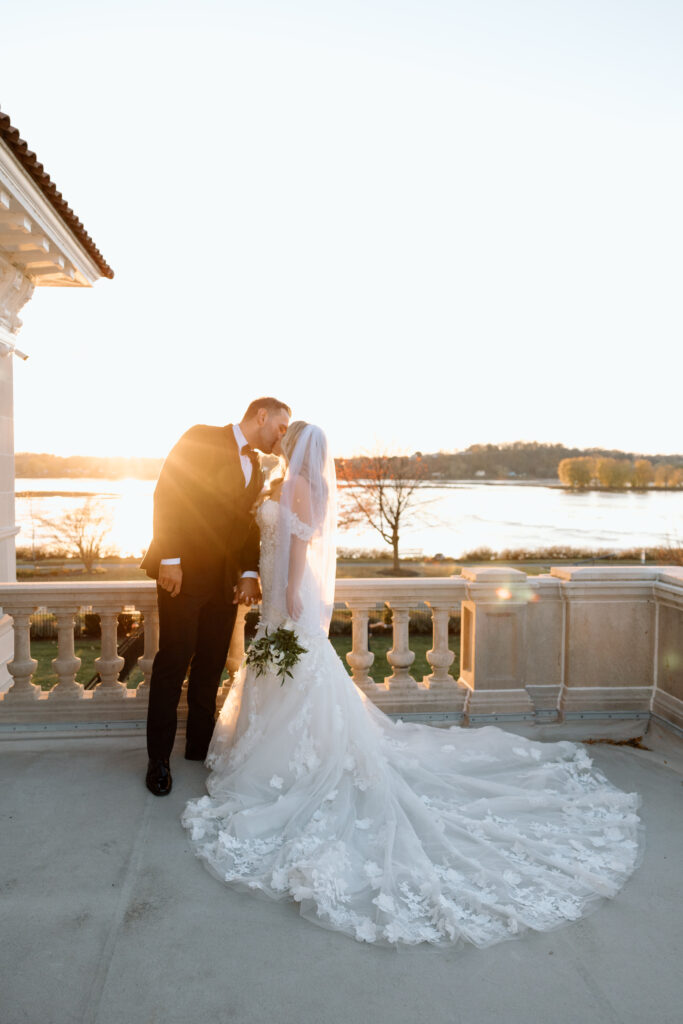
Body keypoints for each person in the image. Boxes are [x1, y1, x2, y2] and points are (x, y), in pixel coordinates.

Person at [182, 423, 643, 948]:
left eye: (290, 434)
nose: (282, 437)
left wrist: (288, 590)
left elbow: (301, 543)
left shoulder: (298, 486)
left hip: (288, 595)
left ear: (299, 447)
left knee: (302, 675)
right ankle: (281, 752)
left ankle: (299, 761)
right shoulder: (284, 481)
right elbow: (275, 536)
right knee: (292, 675)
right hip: (273, 595)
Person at [141, 397, 291, 796]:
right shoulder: (201, 438)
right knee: (174, 661)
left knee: (210, 665)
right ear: (262, 415)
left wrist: (246, 573)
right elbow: (168, 494)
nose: (283, 436)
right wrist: (170, 559)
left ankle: (199, 748)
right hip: (184, 574)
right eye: (280, 426)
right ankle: (158, 760)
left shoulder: (259, 467)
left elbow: (246, 525)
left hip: (224, 584)